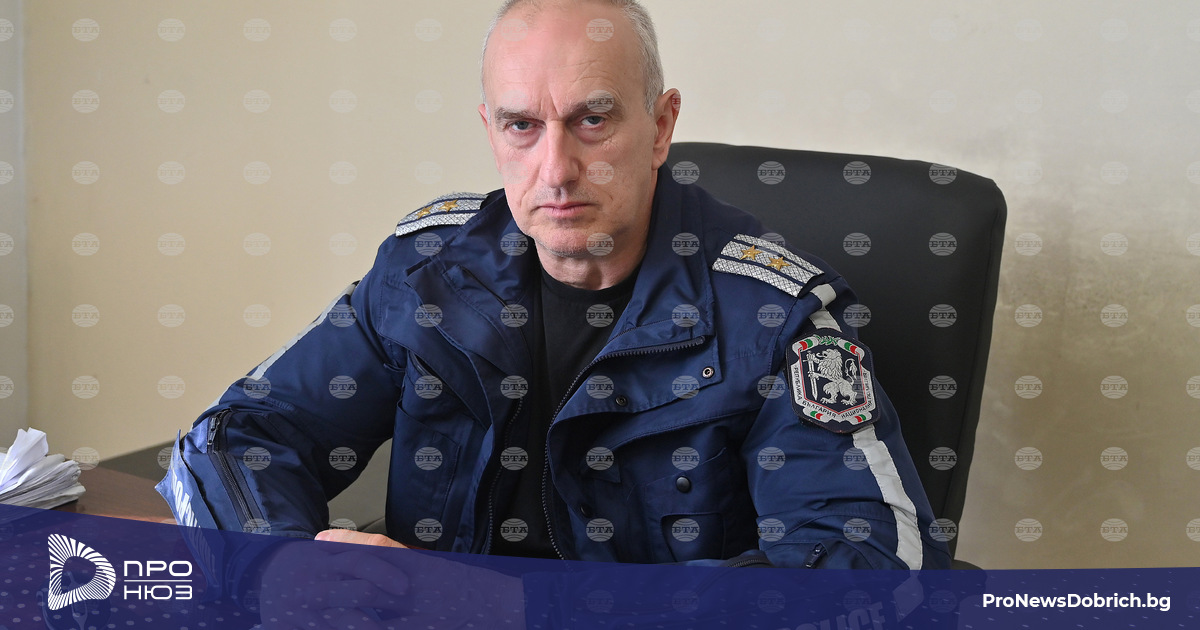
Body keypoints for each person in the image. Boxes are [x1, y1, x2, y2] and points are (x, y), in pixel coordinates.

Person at [160, 0, 950, 571]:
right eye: (522, 126)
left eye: (592, 121)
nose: (556, 170)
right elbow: (239, 437)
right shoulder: (426, 272)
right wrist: (282, 567)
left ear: (661, 126)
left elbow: (870, 567)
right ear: (490, 131)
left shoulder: (776, 319)